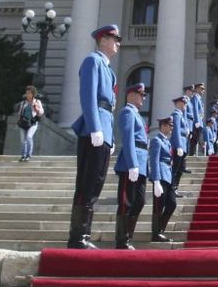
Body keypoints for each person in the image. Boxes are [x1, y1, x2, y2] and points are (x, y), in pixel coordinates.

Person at [67, 24, 121, 250]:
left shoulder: (109, 69)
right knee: (87, 184)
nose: (118, 43)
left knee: (96, 184)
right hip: (94, 128)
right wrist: (95, 127)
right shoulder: (92, 61)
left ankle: (84, 235)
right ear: (103, 40)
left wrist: (109, 135)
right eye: (115, 39)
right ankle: (78, 237)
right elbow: (88, 96)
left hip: (104, 130)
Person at [113, 83, 149, 250]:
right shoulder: (127, 112)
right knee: (126, 202)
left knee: (139, 201)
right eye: (140, 94)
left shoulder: (137, 114)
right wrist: (132, 163)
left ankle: (128, 236)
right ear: (131, 95)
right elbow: (128, 139)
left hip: (141, 162)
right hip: (131, 162)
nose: (143, 98)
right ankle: (122, 240)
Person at [148, 115, 175, 243]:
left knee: (172, 204)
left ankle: (160, 230)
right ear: (163, 126)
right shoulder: (156, 140)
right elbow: (154, 161)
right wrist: (156, 180)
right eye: (170, 125)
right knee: (159, 206)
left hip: (168, 176)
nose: (171, 128)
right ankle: (156, 233)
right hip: (161, 176)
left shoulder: (166, 141)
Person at [16, 85, 44, 161]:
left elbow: (41, 112)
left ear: (33, 94)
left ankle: (28, 155)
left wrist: (36, 108)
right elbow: (20, 113)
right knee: (22, 141)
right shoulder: (23, 103)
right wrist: (18, 121)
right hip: (23, 123)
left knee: (29, 137)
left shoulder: (37, 102)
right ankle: (23, 156)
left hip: (32, 123)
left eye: (29, 93)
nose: (27, 94)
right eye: (27, 93)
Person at [170, 96, 189, 190]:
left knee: (180, 169)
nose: (185, 104)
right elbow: (176, 130)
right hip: (179, 145)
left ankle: (175, 188)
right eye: (183, 103)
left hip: (183, 145)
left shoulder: (181, 115)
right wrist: (178, 146)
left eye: (185, 103)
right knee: (175, 169)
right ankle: (172, 188)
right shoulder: (176, 114)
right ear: (178, 104)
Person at [185, 84, 204, 156]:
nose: (203, 90)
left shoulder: (199, 98)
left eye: (203, 89)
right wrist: (197, 121)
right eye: (201, 89)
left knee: (196, 138)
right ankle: (192, 153)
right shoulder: (195, 97)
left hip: (200, 121)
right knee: (194, 139)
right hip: (197, 122)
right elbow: (195, 110)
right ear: (197, 89)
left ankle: (193, 153)